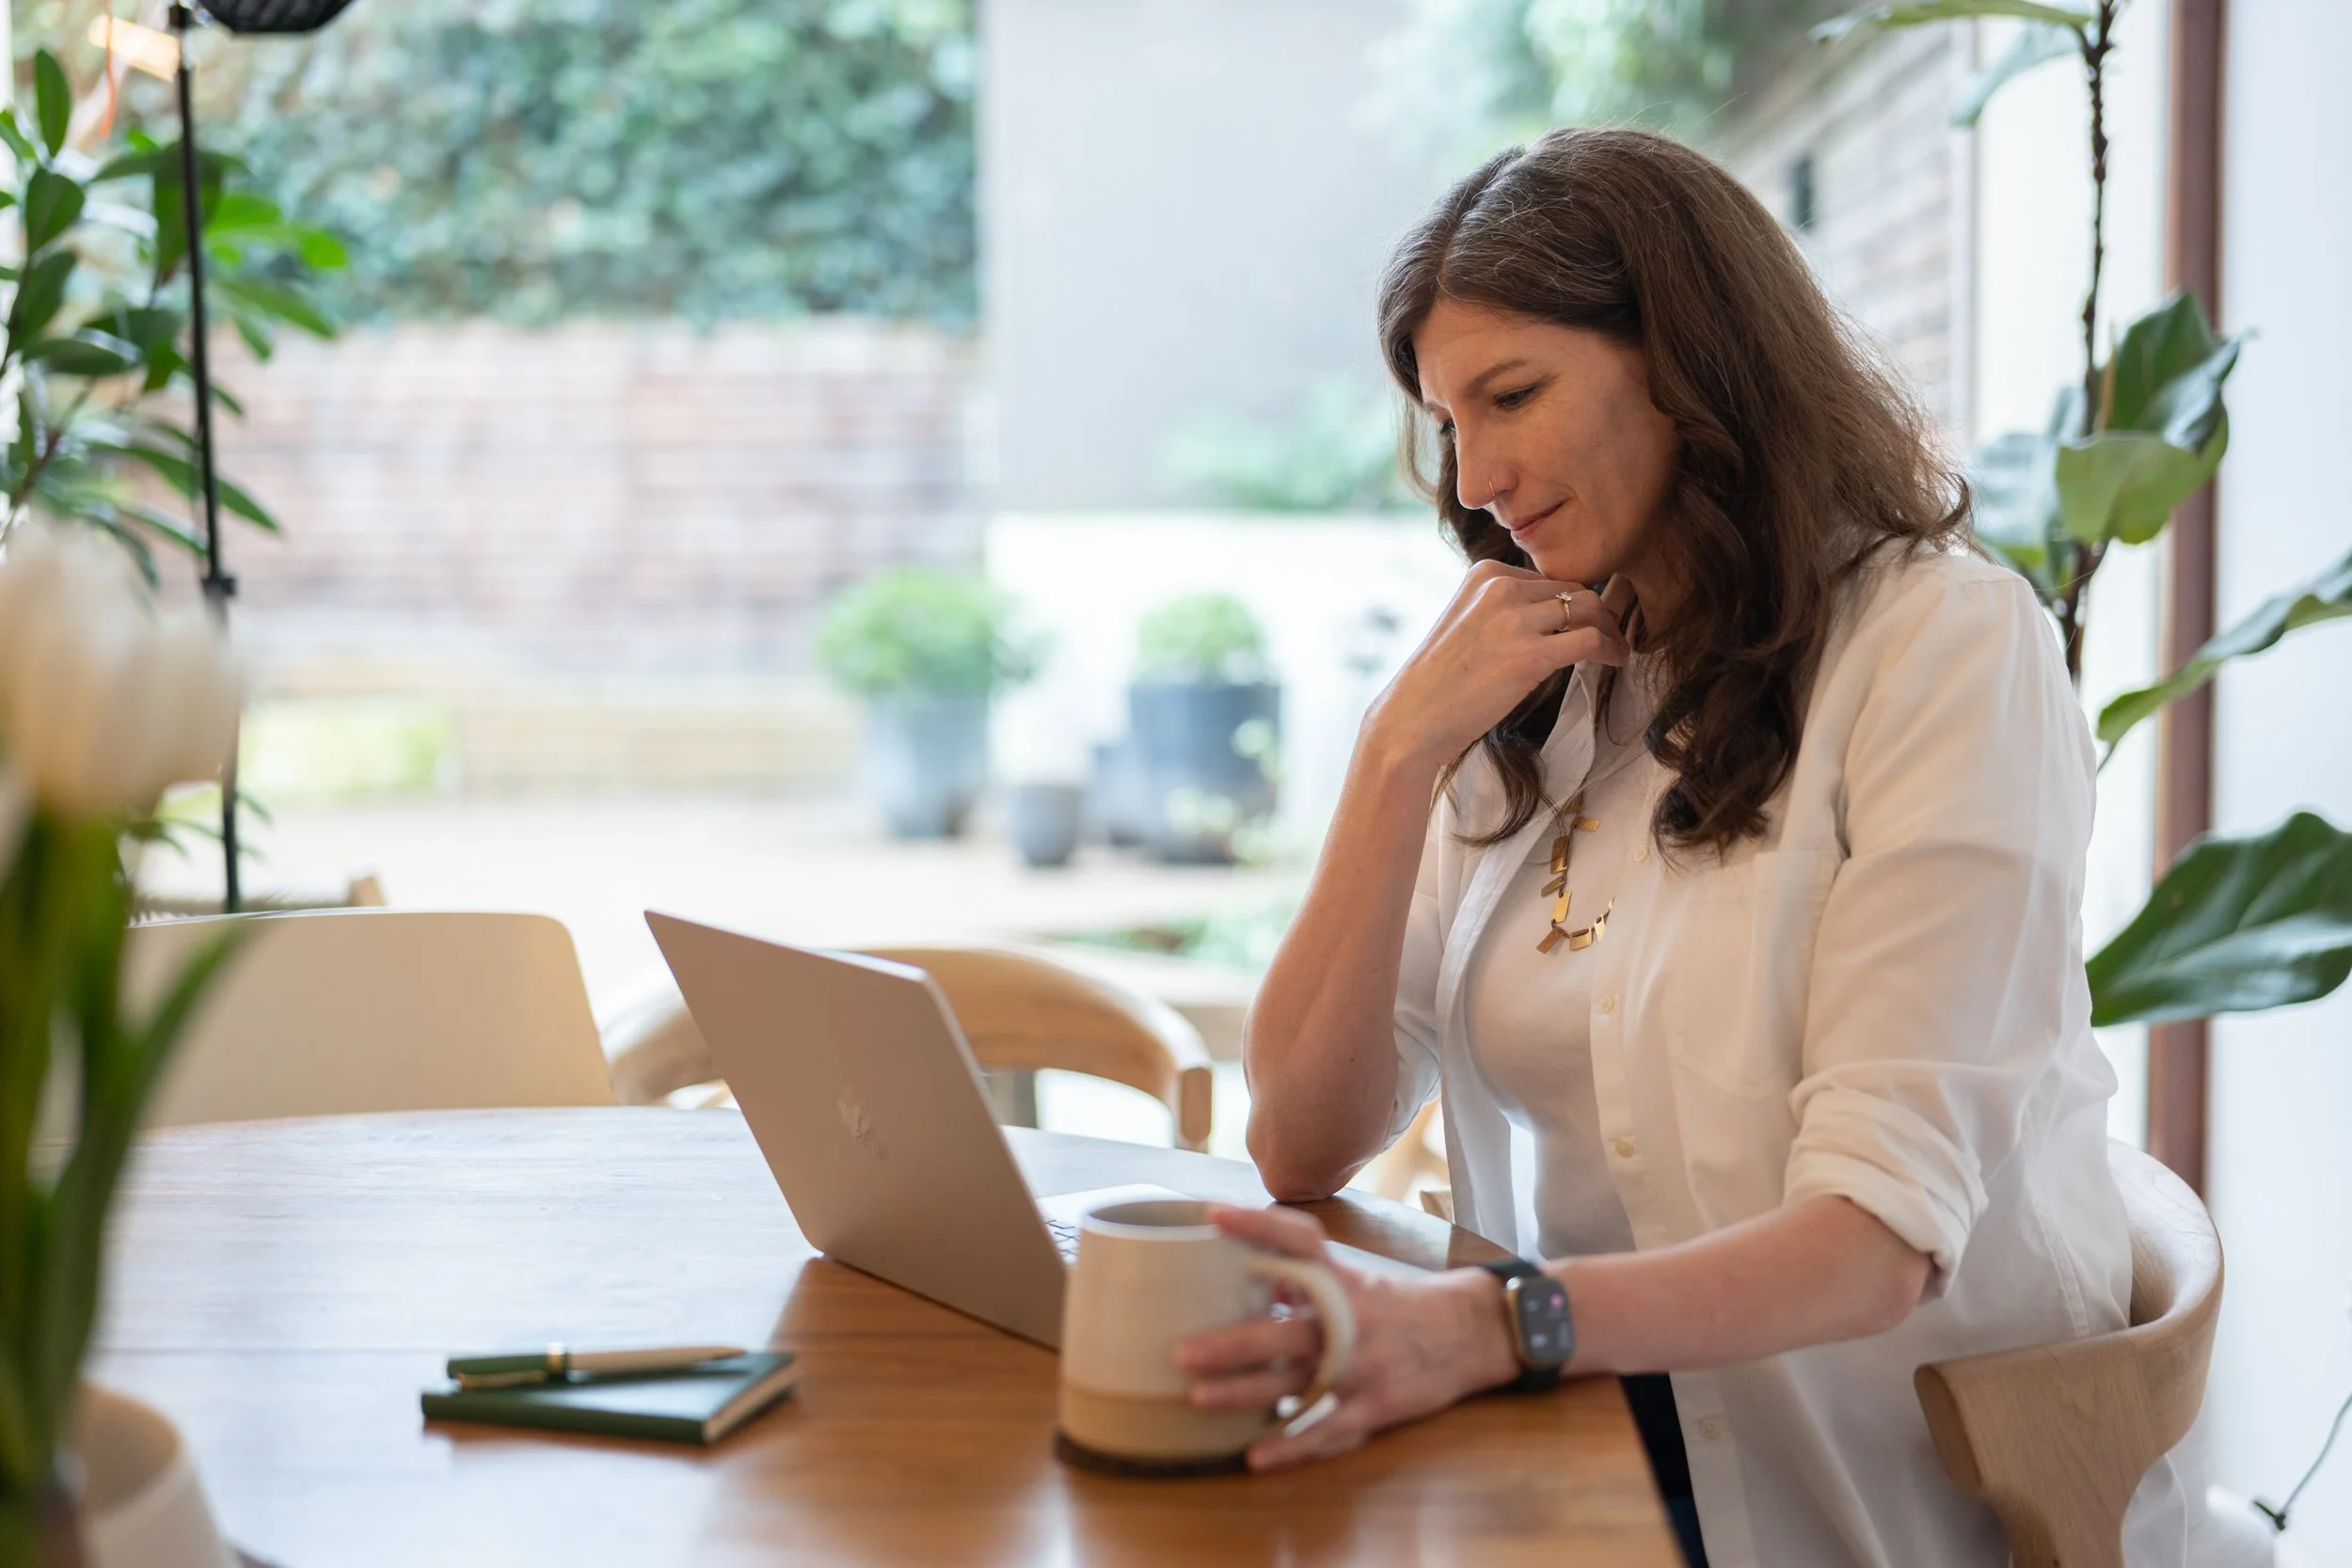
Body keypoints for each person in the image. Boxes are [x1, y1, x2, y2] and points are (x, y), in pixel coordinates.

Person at [1176, 128, 2181, 1568]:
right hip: (1585, 1440)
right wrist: (1393, 758)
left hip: (1868, 1490)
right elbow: (1300, 1136)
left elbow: (1876, 1231)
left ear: (1692, 365)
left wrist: (1497, 1326)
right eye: (1450, 422)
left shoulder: (1942, 650)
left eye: (1513, 395)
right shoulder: (1536, 674)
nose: (1477, 477)